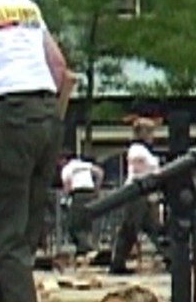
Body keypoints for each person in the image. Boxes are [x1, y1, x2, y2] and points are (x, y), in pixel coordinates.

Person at [0, 0, 72, 302]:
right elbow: (61, 70)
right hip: (45, 115)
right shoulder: (24, 3)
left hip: (6, 112)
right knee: (20, 240)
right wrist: (52, 121)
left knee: (5, 240)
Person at [110, 118, 165, 275]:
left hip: (145, 193)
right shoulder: (136, 149)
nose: (153, 136)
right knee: (129, 229)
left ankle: (171, 258)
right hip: (135, 193)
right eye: (150, 132)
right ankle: (117, 263)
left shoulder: (145, 150)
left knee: (154, 227)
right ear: (142, 133)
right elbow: (142, 165)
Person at [60, 151, 104, 255]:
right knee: (86, 224)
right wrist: (96, 188)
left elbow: (67, 184)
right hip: (91, 193)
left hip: (79, 194)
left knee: (73, 225)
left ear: (64, 160)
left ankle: (87, 248)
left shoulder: (67, 168)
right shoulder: (85, 165)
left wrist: (65, 199)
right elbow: (100, 173)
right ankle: (83, 249)